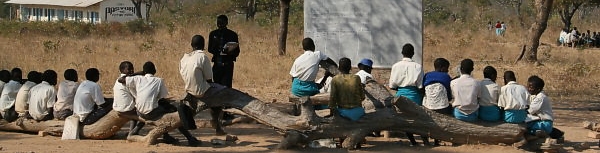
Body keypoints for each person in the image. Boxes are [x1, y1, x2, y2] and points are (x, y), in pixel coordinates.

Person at [121, 62, 199, 145]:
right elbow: (162, 97)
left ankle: (136, 131)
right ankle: (189, 138)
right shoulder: (158, 80)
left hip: (139, 111)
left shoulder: (138, 79)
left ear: (144, 71)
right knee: (174, 114)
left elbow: (121, 80)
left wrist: (138, 73)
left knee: (153, 108)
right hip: (151, 113)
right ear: (154, 70)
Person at [180, 35, 227, 136]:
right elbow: (209, 79)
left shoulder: (184, 58)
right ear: (203, 45)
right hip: (201, 92)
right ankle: (218, 126)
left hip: (188, 89)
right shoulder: (203, 57)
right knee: (221, 93)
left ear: (191, 45)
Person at [389, 43, 424, 146]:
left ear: (402, 53)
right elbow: (420, 86)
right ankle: (421, 139)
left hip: (400, 97)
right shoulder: (418, 66)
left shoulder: (395, 66)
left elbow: (392, 86)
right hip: (415, 97)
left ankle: (412, 140)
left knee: (404, 118)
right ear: (413, 53)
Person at [290, 38, 336, 109]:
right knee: (320, 102)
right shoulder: (318, 54)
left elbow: (293, 78)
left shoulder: (297, 59)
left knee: (314, 90)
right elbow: (333, 64)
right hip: (308, 90)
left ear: (303, 48)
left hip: (295, 89)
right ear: (313, 46)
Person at [422, 58, 453, 146]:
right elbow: (449, 95)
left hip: (427, 106)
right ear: (442, 68)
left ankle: (425, 140)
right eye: (447, 68)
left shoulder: (427, 75)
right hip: (442, 107)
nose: (447, 70)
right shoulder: (446, 77)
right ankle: (437, 140)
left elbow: (423, 90)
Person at [208, 15, 240, 88]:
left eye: (222, 22)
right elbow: (210, 49)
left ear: (226, 23)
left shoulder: (232, 35)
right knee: (216, 86)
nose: (220, 24)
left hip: (227, 64)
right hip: (217, 64)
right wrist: (219, 51)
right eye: (218, 22)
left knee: (227, 87)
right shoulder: (213, 34)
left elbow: (237, 51)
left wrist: (228, 52)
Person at [112, 61, 142, 137]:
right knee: (143, 112)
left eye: (132, 69)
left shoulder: (118, 79)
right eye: (129, 69)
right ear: (122, 70)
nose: (132, 71)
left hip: (117, 107)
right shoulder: (128, 80)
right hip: (126, 109)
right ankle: (133, 132)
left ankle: (131, 131)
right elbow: (136, 95)